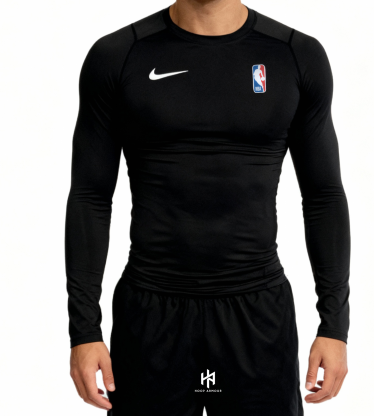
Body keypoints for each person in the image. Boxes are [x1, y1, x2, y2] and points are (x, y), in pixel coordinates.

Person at [65, 1, 350, 415]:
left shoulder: (293, 55)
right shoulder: (118, 56)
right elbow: (91, 196)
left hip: (256, 315)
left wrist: (334, 326)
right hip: (151, 315)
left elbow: (323, 195)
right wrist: (84, 331)